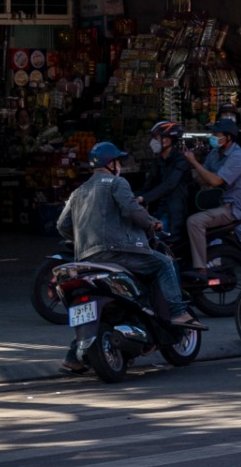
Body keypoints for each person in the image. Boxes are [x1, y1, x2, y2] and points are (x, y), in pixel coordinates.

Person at [61, 139, 193, 326]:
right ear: (111, 164)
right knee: (164, 263)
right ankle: (178, 312)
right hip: (117, 253)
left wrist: (85, 237)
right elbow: (131, 210)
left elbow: (62, 226)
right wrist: (151, 224)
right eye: (118, 162)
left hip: (85, 258)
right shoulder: (117, 183)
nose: (120, 166)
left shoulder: (78, 192)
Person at [183, 119, 241, 270]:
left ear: (228, 137)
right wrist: (204, 179)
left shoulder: (237, 157)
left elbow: (215, 181)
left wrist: (194, 162)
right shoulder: (215, 152)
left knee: (194, 222)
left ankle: (200, 268)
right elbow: (201, 177)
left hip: (231, 207)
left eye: (216, 134)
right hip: (213, 203)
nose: (212, 137)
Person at [131, 119, 198, 248]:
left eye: (156, 138)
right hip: (159, 212)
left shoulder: (181, 161)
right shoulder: (159, 161)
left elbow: (169, 185)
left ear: (167, 140)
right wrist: (130, 197)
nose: (153, 142)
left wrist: (143, 198)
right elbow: (148, 185)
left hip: (174, 215)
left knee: (155, 244)